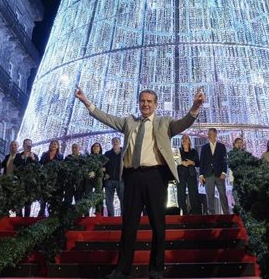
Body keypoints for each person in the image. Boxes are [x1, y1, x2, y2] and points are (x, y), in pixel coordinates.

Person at [74, 87, 205, 279]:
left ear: (156, 104)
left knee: (158, 224)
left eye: (149, 101)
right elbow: (107, 117)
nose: (145, 104)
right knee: (129, 224)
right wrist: (86, 101)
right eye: (143, 101)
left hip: (156, 176)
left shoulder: (164, 123)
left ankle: (156, 269)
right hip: (132, 176)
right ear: (139, 103)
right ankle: (122, 269)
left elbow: (183, 123)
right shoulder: (129, 122)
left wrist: (194, 107)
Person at [199, 127, 229, 215]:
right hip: (208, 174)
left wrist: (224, 172)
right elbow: (202, 162)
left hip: (219, 174)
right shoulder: (204, 147)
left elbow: (224, 160)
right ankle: (211, 213)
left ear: (215, 135)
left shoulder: (221, 146)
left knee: (222, 194)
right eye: (208, 134)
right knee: (209, 195)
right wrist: (201, 175)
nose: (208, 135)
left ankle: (226, 213)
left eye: (210, 133)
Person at [176, 135, 200, 215]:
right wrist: (181, 162)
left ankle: (195, 212)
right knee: (181, 193)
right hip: (181, 174)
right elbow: (174, 161)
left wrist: (192, 162)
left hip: (191, 174)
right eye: (183, 138)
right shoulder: (178, 151)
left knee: (193, 193)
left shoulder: (194, 151)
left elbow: (198, 163)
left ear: (189, 141)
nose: (184, 139)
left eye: (186, 138)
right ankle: (183, 212)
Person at [18, 138, 39, 216]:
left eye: (30, 145)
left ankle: (26, 222)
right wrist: (22, 158)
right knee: (19, 203)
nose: (28, 146)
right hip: (19, 183)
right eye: (27, 145)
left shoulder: (35, 155)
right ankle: (18, 221)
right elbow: (16, 164)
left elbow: (38, 167)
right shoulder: (19, 155)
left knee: (28, 204)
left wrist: (33, 158)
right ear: (23, 145)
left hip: (29, 184)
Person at [103, 137, 124, 217]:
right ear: (111, 143)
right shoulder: (107, 153)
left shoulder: (124, 153)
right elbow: (103, 165)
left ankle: (123, 217)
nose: (115, 143)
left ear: (120, 143)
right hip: (109, 180)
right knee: (108, 200)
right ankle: (111, 217)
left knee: (123, 199)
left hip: (121, 180)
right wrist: (105, 173)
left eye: (116, 141)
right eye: (113, 141)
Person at [86, 142, 104, 216]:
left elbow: (105, 167)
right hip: (89, 178)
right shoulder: (88, 157)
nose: (95, 147)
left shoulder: (103, 157)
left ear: (100, 149)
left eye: (97, 146)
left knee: (98, 194)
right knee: (87, 194)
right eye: (94, 146)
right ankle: (86, 212)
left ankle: (98, 212)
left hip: (98, 178)